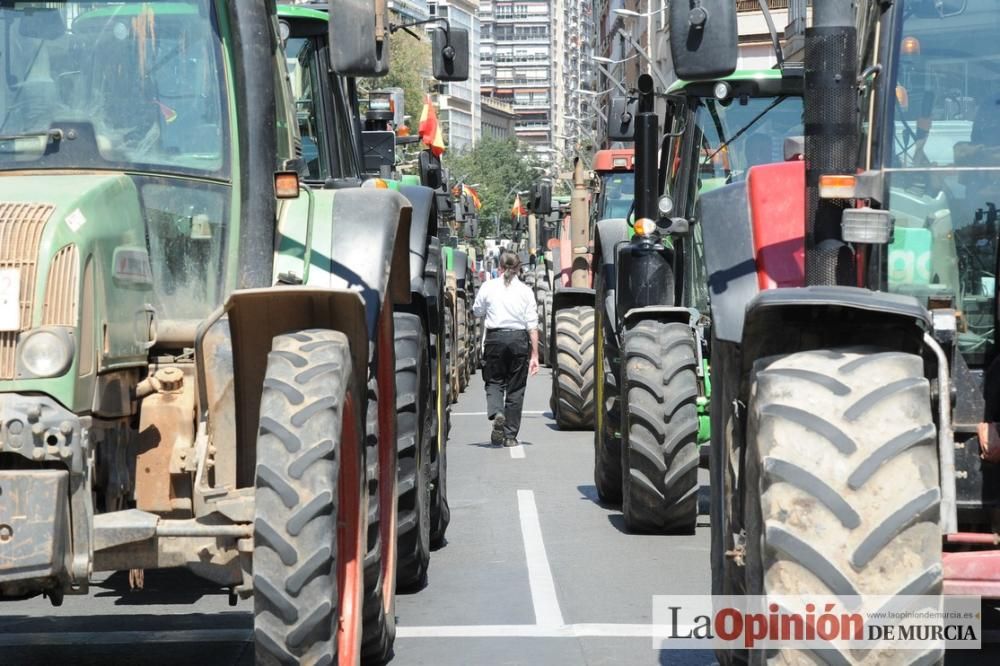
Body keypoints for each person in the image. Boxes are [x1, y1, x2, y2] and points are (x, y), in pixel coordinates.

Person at [472, 251, 540, 447]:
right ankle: (510, 436)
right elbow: (532, 326)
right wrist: (534, 354)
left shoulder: (488, 287)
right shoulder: (526, 291)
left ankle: (497, 412)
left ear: (499, 267)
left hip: (495, 338)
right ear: (518, 268)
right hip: (519, 339)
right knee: (516, 388)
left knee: (494, 381)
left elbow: (477, 311)